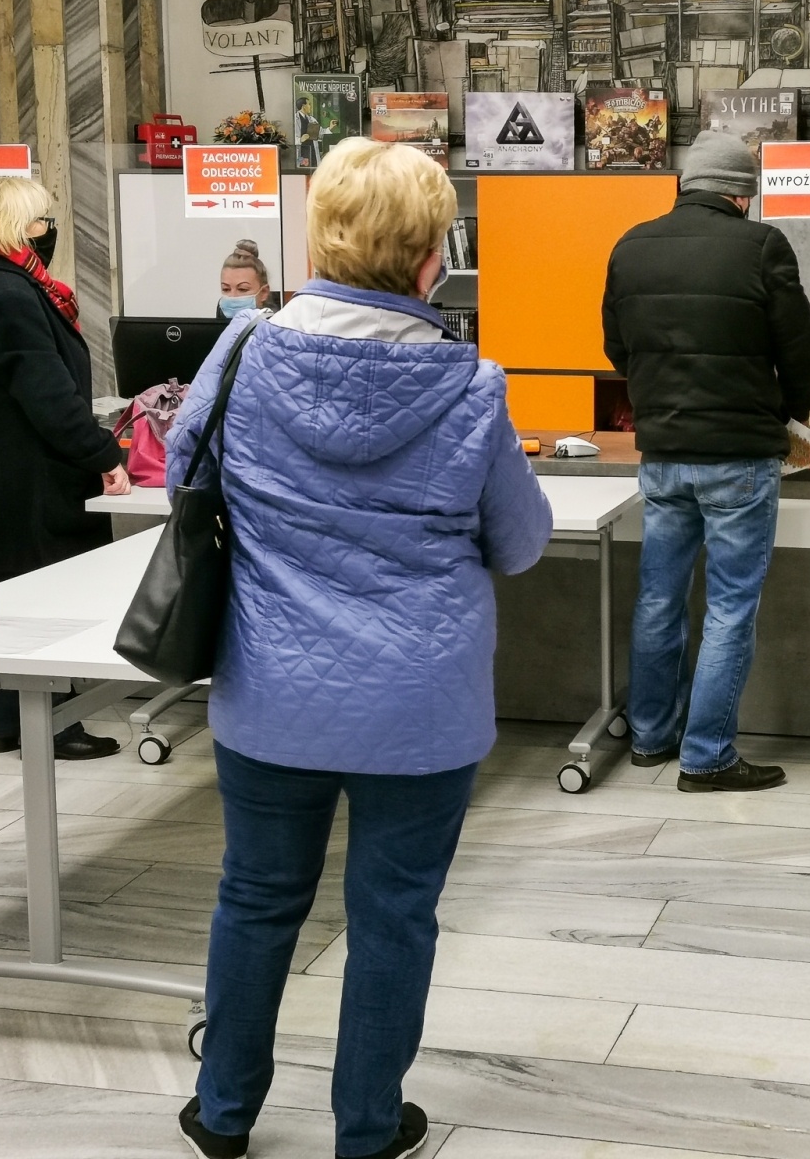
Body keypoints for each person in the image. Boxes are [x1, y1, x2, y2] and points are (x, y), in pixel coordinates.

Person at [169, 138, 552, 1159]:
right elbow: (519, 544)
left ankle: (223, 1112)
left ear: (320, 236)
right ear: (431, 259)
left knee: (254, 898)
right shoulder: (471, 387)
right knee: (393, 916)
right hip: (419, 706)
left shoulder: (243, 350)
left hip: (268, 687)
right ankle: (368, 1129)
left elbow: (180, 470)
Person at [602, 130, 810, 793]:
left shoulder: (631, 246)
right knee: (729, 605)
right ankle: (707, 756)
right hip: (739, 456)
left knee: (657, 597)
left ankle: (651, 737)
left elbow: (619, 349)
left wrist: (660, 404)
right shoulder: (762, 246)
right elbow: (803, 353)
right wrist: (785, 413)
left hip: (665, 454)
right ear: (741, 194)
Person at [0, 176, 129, 760]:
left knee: (3, 604)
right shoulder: (12, 297)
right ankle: (56, 726)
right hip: (25, 482)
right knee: (44, 602)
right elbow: (49, 397)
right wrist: (103, 455)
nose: (50, 231)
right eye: (43, 221)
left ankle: (8, 725)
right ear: (19, 228)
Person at [215, 241, 270, 319]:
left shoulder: (277, 328)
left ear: (264, 293)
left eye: (242, 289)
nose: (233, 296)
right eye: (226, 289)